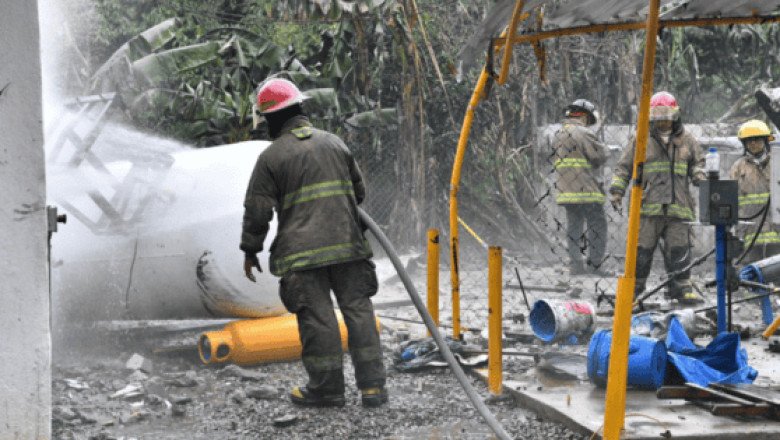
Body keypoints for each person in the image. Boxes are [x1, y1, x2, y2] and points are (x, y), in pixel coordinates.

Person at [241, 78, 387, 408]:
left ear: (273, 119)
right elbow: (358, 192)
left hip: (301, 255)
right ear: (300, 108)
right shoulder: (335, 143)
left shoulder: (271, 158)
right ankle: (373, 388)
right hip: (348, 247)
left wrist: (250, 249)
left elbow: (258, 210)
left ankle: (328, 390)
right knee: (359, 312)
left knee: (318, 319)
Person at [609, 91, 706, 304]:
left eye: (667, 115)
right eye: (658, 116)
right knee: (641, 252)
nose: (663, 121)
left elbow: (699, 162)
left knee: (679, 250)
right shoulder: (641, 139)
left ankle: (681, 290)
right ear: (651, 116)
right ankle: (634, 291)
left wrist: (699, 174)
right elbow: (623, 167)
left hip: (679, 208)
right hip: (647, 208)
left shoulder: (687, 139)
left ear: (675, 115)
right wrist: (617, 191)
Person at [552, 99, 609, 275]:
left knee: (574, 227)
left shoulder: (559, 133)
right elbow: (601, 155)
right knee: (597, 225)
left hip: (567, 191)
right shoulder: (583, 133)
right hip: (586, 189)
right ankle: (595, 265)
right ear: (584, 116)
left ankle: (576, 265)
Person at [730, 119, 780, 262]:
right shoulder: (738, 168)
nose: (753, 143)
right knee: (750, 273)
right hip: (750, 232)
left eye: (757, 139)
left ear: (765, 140)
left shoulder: (777, 162)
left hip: (776, 232)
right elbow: (732, 199)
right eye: (749, 140)